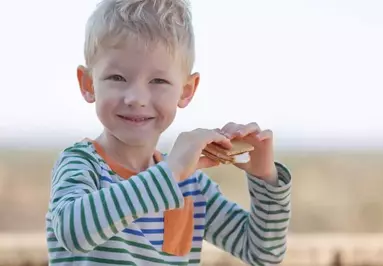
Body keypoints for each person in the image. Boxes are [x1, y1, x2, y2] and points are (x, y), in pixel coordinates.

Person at [45, 0, 292, 265]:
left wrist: (267, 179)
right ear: (88, 84)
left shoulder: (192, 185)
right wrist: (170, 172)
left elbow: (263, 255)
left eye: (158, 81)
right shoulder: (81, 164)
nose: (136, 98)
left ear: (186, 91)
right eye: (117, 78)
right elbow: (72, 233)